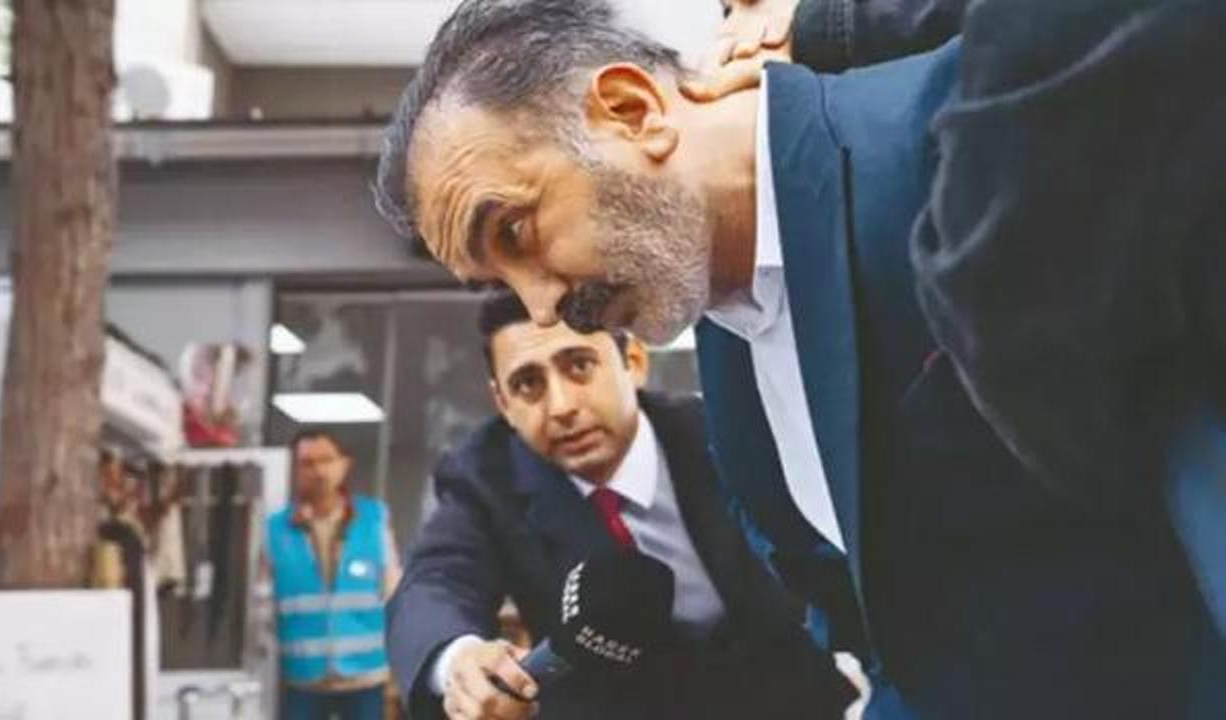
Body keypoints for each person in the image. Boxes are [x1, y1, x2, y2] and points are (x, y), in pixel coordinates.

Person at [372, 1, 1226, 717]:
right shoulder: (723, 348)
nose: (543, 309)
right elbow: (896, 634)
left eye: (516, 231)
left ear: (632, 111)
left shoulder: (963, 134)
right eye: (499, 283)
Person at [387, 290, 860, 720]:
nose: (561, 406)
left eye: (579, 366)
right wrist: (460, 660)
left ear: (633, 361)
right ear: (503, 403)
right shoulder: (484, 477)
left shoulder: (720, 434)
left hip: (784, 696)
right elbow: (436, 581)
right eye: (528, 384)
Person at [265, 431, 403, 720]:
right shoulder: (275, 530)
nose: (318, 471)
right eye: (307, 463)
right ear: (294, 469)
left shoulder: (373, 519)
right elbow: (263, 609)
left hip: (366, 676)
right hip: (304, 678)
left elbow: (394, 595)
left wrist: (396, 677)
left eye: (326, 460)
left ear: (344, 464)